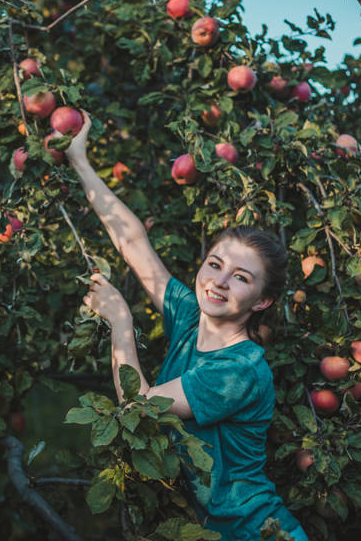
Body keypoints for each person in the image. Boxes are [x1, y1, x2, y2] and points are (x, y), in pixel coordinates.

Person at [64, 112, 309, 541]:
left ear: (263, 301)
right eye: (215, 264)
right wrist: (79, 161)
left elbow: (137, 407)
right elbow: (133, 242)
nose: (218, 280)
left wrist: (121, 319)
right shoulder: (190, 316)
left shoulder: (240, 372)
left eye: (241, 277)